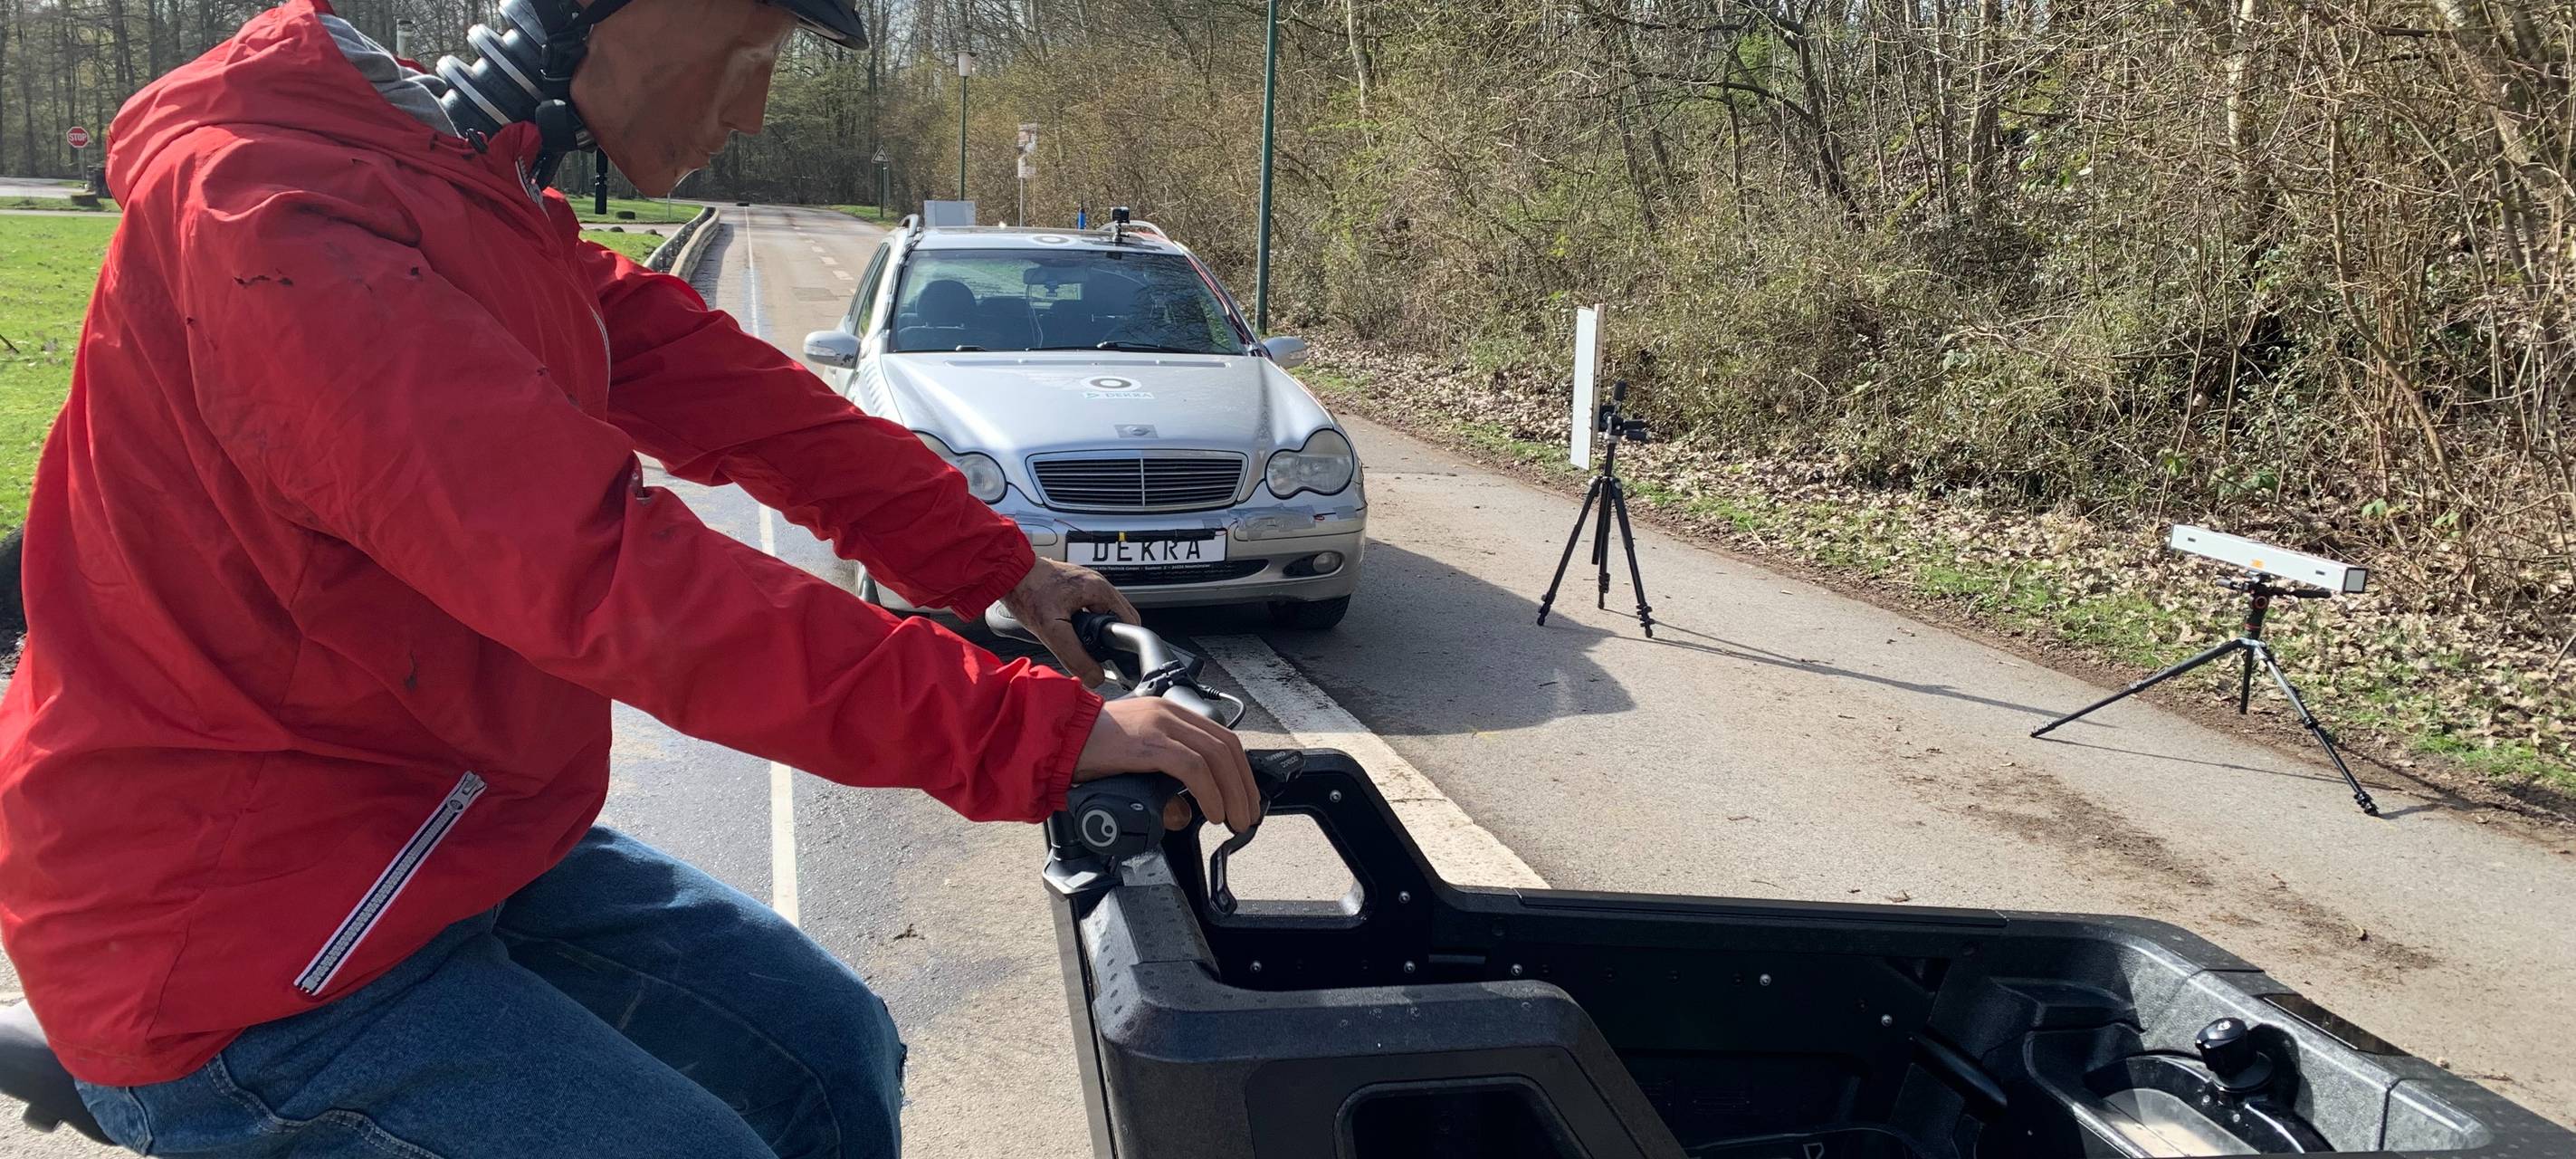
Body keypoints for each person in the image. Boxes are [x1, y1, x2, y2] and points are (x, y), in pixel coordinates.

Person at [0, 0, 1260, 1153]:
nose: (754, 108)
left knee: (826, 1056)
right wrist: (1027, 733)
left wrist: (989, 564)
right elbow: (598, 574)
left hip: (434, 848)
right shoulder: (274, 219)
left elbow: (744, 402)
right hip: (232, 939)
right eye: (750, 52)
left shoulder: (478, 211)